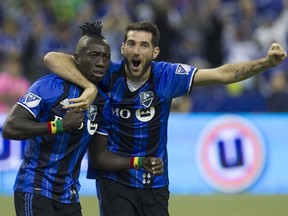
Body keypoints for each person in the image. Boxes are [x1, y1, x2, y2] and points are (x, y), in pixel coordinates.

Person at [43, 20, 287, 216]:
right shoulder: (108, 73)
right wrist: (90, 87)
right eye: (131, 44)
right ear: (123, 48)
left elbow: (223, 74)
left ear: (155, 51)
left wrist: (265, 63)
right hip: (114, 180)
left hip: (155, 180)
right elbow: (52, 58)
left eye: (144, 45)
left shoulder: (168, 76)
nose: (136, 50)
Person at [2, 21, 163, 216]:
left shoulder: (103, 102)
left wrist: (139, 162)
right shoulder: (49, 86)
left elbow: (99, 157)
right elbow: (11, 127)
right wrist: (58, 126)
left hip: (68, 197)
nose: (101, 62)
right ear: (77, 59)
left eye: (106, 57)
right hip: (35, 189)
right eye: (94, 55)